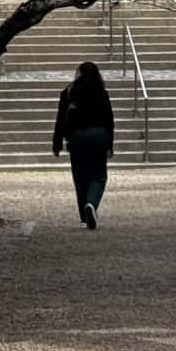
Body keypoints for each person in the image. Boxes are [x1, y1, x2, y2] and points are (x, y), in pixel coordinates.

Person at [53, 61, 113, 229]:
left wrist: (57, 142)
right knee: (99, 176)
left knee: (80, 177)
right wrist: (110, 144)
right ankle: (91, 204)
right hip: (99, 136)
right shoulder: (101, 93)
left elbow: (60, 119)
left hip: (76, 137)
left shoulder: (69, 92)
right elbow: (109, 120)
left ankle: (83, 217)